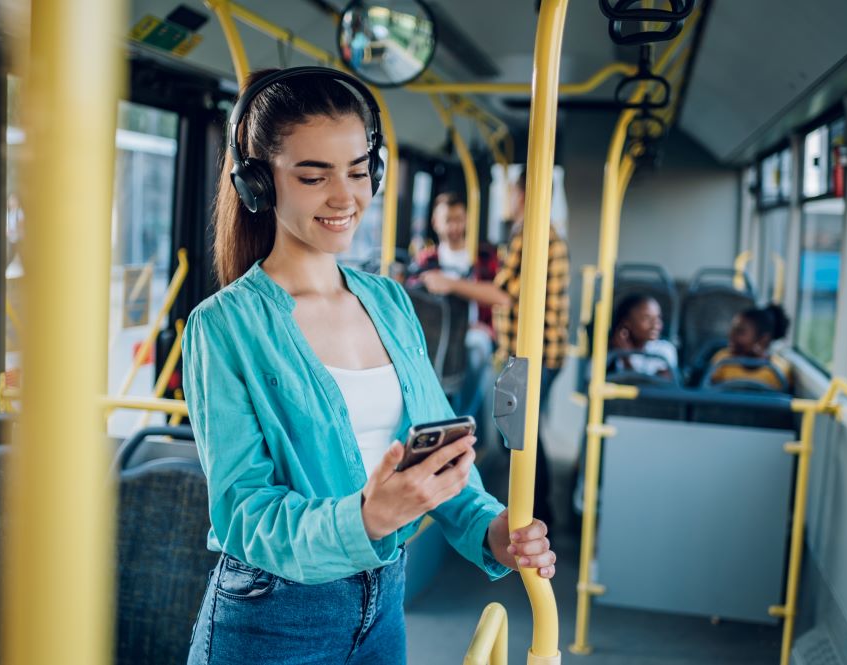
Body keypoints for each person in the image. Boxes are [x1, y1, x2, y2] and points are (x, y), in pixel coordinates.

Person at [182, 67, 556, 665]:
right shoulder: (223, 328)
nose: (345, 197)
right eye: (313, 175)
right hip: (273, 617)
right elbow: (244, 513)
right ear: (260, 184)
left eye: (359, 172)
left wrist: (493, 529)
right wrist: (365, 518)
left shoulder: (388, 301)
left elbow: (436, 457)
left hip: (384, 604)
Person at [420, 169, 569, 526]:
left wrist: (450, 285)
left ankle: (534, 515)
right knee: (521, 432)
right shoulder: (541, 233)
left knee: (520, 436)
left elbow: (503, 294)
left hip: (535, 351)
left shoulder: (528, 234)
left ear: (521, 196)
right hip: (543, 349)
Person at [410, 192, 498, 417]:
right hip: (436, 334)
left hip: (474, 330)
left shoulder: (483, 256)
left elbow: (498, 295)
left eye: (459, 219)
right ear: (435, 222)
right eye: (448, 220)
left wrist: (451, 284)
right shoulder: (426, 260)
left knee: (477, 349)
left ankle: (460, 419)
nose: (454, 226)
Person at [709, 304, 792, 391]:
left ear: (762, 339)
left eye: (740, 332)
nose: (731, 335)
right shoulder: (721, 361)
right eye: (732, 330)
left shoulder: (779, 370)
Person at [607, 294, 677, 379]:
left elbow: (652, 389)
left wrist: (626, 358)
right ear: (627, 322)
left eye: (658, 318)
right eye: (647, 318)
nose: (656, 324)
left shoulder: (664, 350)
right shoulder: (610, 352)